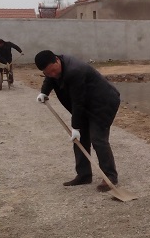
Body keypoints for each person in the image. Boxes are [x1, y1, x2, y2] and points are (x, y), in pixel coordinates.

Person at [34, 50, 121, 192]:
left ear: (57, 60)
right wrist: (44, 92)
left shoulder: (75, 70)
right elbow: (50, 78)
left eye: (53, 71)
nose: (53, 74)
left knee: (98, 139)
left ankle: (110, 176)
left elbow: (77, 101)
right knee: (79, 139)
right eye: (48, 73)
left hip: (103, 103)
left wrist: (76, 127)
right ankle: (84, 175)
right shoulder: (53, 69)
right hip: (87, 103)